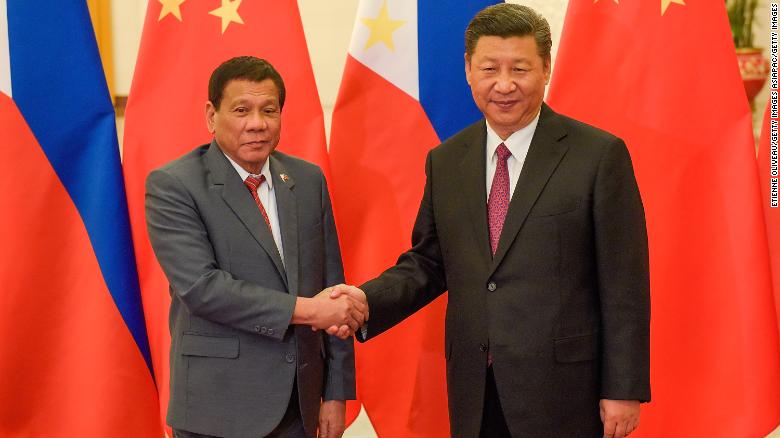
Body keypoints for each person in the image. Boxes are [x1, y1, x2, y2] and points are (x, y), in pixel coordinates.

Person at [329, 4, 650, 438]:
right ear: (467, 69)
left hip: (566, 392)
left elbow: (624, 283)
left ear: (546, 68)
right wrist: (367, 301)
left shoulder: (597, 155)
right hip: (475, 389)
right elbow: (429, 261)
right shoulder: (446, 161)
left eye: (520, 68)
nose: (504, 85)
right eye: (489, 68)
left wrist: (623, 388)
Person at [146, 56, 366, 438]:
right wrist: (308, 311)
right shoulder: (174, 185)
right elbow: (203, 289)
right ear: (212, 115)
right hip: (218, 409)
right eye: (241, 110)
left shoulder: (306, 179)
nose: (257, 123)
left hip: (300, 406)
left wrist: (336, 392)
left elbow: (333, 284)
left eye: (269, 110)